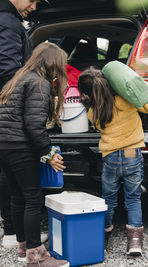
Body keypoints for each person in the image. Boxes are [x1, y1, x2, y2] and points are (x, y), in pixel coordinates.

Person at [0, 42, 69, 267]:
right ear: (52, 63)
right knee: (33, 197)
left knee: (17, 196)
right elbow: (33, 125)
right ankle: (36, 257)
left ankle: (23, 248)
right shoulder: (39, 82)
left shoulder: (18, 77)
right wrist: (48, 153)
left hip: (4, 145)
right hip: (19, 146)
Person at [78, 67, 148, 256]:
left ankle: (103, 239)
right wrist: (147, 87)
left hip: (110, 158)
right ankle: (135, 242)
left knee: (109, 200)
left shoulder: (94, 111)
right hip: (132, 154)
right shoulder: (126, 100)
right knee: (133, 197)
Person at [0, 0, 46, 250]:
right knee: (27, 191)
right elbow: (7, 69)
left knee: (11, 179)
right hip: (12, 119)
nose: (35, 7)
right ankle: (29, 246)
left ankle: (16, 237)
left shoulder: (9, 20)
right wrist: (32, 90)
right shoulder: (7, 22)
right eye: (33, 0)